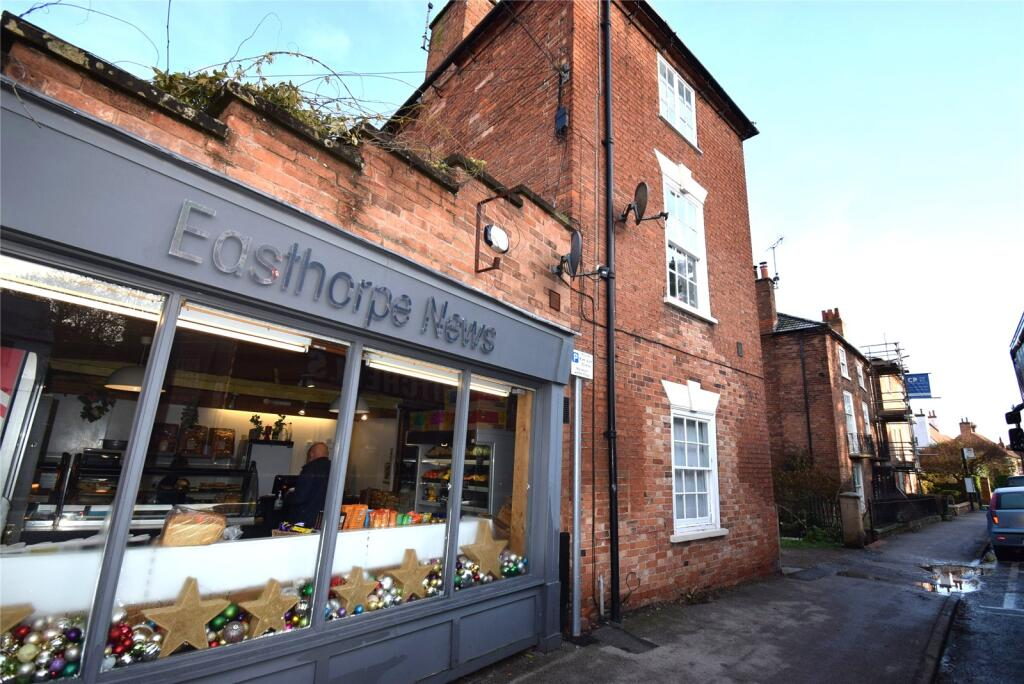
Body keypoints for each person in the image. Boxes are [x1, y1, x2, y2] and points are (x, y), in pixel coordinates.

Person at [283, 442, 331, 527]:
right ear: (327, 454)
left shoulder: (310, 469)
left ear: (311, 454)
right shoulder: (335, 468)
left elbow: (300, 497)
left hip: (306, 520)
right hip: (326, 519)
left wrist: (288, 496)